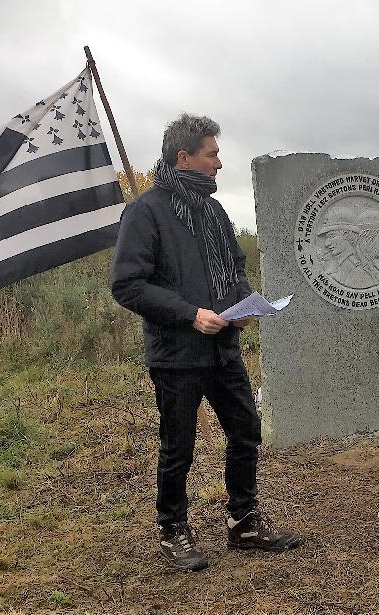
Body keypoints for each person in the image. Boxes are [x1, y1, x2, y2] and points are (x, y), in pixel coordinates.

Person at [111, 113, 302, 571]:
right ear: (184, 157)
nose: (219, 162)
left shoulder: (214, 211)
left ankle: (244, 522)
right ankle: (173, 529)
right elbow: (128, 284)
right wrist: (189, 314)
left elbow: (233, 267)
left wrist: (243, 307)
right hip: (177, 354)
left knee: (245, 430)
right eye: (212, 153)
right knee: (179, 445)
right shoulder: (145, 211)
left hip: (222, 350)